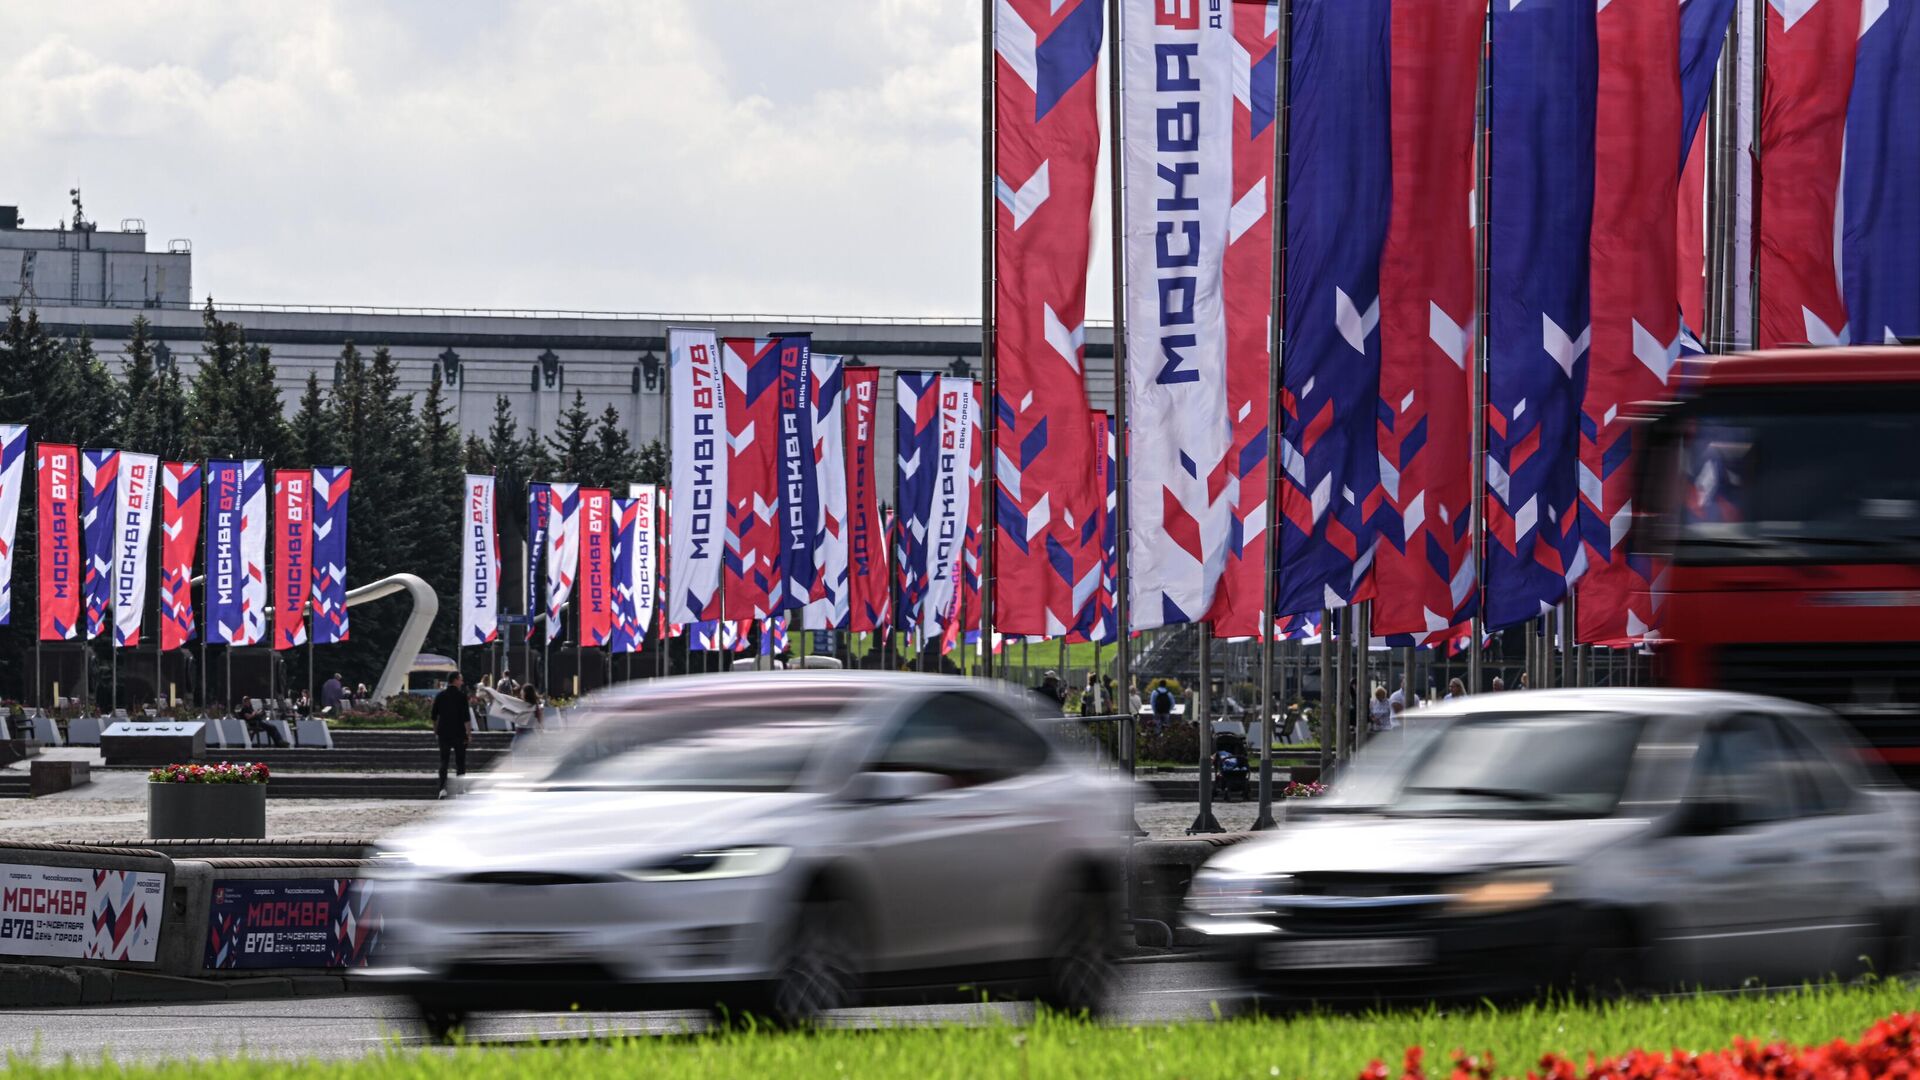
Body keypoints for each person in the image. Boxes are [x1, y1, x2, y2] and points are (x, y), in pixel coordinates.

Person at [432, 673, 472, 798]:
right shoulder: (461, 696)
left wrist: (436, 731)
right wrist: (469, 733)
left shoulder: (440, 696)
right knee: (460, 761)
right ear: (455, 680)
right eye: (461, 679)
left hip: (444, 732)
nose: (462, 682)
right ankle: (460, 789)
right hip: (459, 733)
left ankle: (442, 788)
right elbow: (466, 717)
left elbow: (434, 716)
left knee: (444, 760)